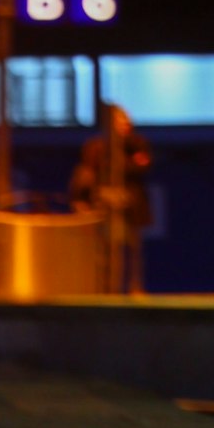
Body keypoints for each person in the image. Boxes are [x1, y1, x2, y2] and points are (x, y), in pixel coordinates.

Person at [71, 104, 153, 295]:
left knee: (132, 250)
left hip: (131, 209)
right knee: (104, 250)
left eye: (127, 121)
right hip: (103, 208)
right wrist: (82, 199)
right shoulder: (96, 147)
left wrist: (126, 164)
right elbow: (86, 174)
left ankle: (134, 288)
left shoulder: (137, 144)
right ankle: (105, 289)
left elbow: (142, 166)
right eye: (120, 121)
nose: (125, 125)